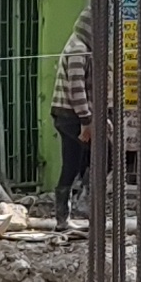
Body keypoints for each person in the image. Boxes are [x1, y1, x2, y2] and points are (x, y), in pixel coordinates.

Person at [49, 20, 94, 224]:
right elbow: (77, 88)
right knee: (105, 154)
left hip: (68, 114)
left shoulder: (80, 45)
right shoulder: (79, 49)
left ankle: (63, 217)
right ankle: (83, 200)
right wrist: (86, 120)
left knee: (72, 162)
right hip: (71, 115)